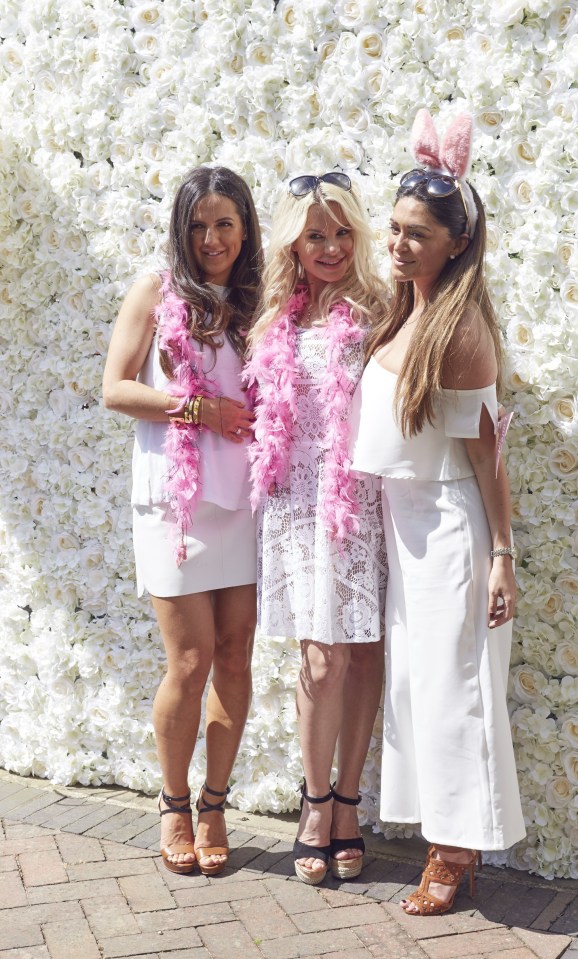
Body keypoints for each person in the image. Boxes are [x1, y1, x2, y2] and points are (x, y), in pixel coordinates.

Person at [350, 110, 526, 915]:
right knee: (419, 687)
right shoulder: (405, 309)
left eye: (417, 233)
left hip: (451, 528)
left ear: (456, 241)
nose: (398, 243)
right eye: (393, 228)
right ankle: (440, 833)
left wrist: (501, 554)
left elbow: (489, 455)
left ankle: (456, 852)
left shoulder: (461, 330)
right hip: (405, 523)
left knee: (455, 690)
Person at [102, 166, 263, 876]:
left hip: (247, 501)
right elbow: (116, 388)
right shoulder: (155, 291)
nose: (211, 238)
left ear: (246, 226)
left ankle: (216, 803)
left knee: (235, 655)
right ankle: (172, 805)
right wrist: (200, 411)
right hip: (175, 500)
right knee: (190, 659)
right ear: (181, 228)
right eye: (198, 224)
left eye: (225, 222)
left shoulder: (263, 299)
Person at [244, 173, 387, 885]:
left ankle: (349, 803)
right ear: (293, 244)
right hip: (300, 505)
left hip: (368, 502)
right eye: (314, 235)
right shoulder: (274, 320)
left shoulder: (383, 311)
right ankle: (314, 799)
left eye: (340, 232)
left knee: (362, 654)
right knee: (320, 657)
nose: (329, 246)